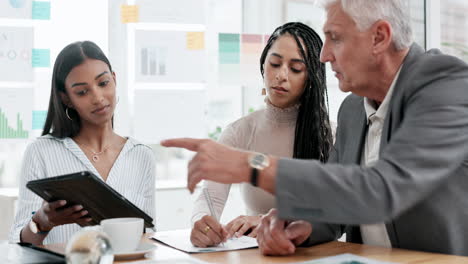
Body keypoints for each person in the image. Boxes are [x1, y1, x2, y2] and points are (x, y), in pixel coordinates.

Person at [161, 0, 468, 257]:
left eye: (335, 37)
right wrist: (301, 227)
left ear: (379, 37)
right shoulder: (352, 109)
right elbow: (336, 208)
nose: (324, 55)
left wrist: (252, 165)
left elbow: (382, 188)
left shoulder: (445, 84)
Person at [190, 22, 334, 247]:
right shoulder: (240, 132)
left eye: (296, 68)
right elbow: (211, 197)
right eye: (275, 64)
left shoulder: (332, 135)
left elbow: (337, 211)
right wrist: (202, 223)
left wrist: (266, 221)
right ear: (263, 64)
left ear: (311, 79)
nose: (281, 76)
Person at [9, 41, 156, 245]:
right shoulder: (41, 151)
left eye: (103, 83)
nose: (97, 98)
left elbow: (147, 234)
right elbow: (19, 242)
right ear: (66, 98)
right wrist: (42, 222)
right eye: (82, 92)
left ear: (114, 79)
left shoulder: (141, 155)